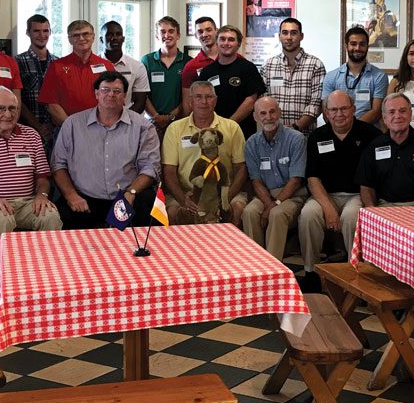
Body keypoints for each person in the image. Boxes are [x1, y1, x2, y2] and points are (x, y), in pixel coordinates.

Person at [0, 87, 62, 314]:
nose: (8, 114)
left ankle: (45, 285)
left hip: (26, 202)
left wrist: (41, 196)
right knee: (1, 217)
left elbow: (43, 177)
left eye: (13, 108)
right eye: (1, 109)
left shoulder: (31, 135)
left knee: (51, 215)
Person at [51, 71, 159, 229]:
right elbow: (58, 165)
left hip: (129, 196)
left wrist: (131, 192)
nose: (111, 95)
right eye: (105, 90)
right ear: (96, 94)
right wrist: (70, 195)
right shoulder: (72, 124)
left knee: (143, 232)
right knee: (73, 241)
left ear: (124, 97)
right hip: (84, 199)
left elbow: (151, 167)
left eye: (117, 91)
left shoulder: (143, 127)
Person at [299, 91, 381, 277]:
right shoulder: (316, 136)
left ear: (353, 109)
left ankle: (356, 272)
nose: (339, 114)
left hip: (356, 195)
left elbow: (374, 176)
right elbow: (312, 178)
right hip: (324, 195)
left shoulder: (370, 134)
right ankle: (310, 271)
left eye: (344, 108)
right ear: (326, 113)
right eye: (333, 109)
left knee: (351, 218)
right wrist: (328, 209)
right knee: (308, 215)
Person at [162, 81, 249, 225]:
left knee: (238, 208)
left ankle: (232, 248)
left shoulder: (232, 128)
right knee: (172, 212)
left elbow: (241, 168)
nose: (204, 102)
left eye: (209, 97)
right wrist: (183, 199)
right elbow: (169, 170)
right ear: (190, 101)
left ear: (215, 101)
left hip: (224, 190)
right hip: (187, 192)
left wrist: (225, 198)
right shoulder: (175, 129)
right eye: (198, 97)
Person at [242, 96, 308, 261]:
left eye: (272, 112)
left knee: (277, 214)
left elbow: (296, 180)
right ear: (256, 117)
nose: (268, 117)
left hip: (292, 195)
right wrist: (268, 203)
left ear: (279, 113)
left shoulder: (296, 139)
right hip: (265, 193)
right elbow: (255, 181)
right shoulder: (251, 143)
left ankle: (273, 267)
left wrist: (274, 205)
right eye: (262, 113)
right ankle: (255, 263)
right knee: (249, 212)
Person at [358, 93, 414, 209]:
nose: (397, 116)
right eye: (392, 112)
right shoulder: (373, 147)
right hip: (384, 207)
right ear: (384, 118)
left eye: (403, 111)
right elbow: (366, 185)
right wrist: (371, 207)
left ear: (410, 114)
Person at [38, 20, 116, 130]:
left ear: (93, 37)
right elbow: (50, 103)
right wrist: (73, 127)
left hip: (101, 129)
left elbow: (114, 98)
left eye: (86, 34)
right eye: (76, 35)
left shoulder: (107, 66)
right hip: (67, 129)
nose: (81, 38)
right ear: (69, 39)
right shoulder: (57, 66)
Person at [260, 18, 326, 134]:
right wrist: (276, 129)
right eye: (285, 33)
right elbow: (263, 101)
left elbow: (316, 103)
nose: (289, 37)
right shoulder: (268, 65)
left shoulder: (315, 65)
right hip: (273, 135)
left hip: (304, 136)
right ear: (279, 36)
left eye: (293, 33)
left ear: (301, 36)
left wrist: (295, 128)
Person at [321, 26, 388, 124]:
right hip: (338, 133)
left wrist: (352, 130)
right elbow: (326, 111)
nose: (357, 48)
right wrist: (342, 129)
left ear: (367, 47)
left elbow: (376, 112)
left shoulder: (379, 76)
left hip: (369, 134)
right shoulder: (331, 77)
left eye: (362, 44)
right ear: (346, 46)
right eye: (353, 44)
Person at [142, 16, 190, 136]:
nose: (167, 35)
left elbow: (188, 96)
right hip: (152, 122)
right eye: (162, 32)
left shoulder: (188, 62)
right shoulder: (147, 61)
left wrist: (171, 116)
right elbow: (142, 93)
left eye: (171, 31)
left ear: (178, 35)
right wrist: (156, 116)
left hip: (179, 122)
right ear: (157, 36)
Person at [15, 14, 54, 149]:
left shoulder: (58, 63)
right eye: (36, 31)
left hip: (54, 130)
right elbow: (16, 99)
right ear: (28, 32)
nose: (42, 35)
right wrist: (37, 126)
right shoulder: (17, 62)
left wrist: (51, 125)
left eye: (45, 31)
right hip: (26, 130)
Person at [100, 20, 151, 113]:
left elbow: (140, 102)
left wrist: (121, 119)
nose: (114, 38)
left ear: (123, 39)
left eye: (118, 34)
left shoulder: (137, 66)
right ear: (101, 39)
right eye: (109, 35)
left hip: (128, 121)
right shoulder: (93, 65)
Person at [181, 16, 220, 98]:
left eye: (208, 30)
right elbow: (187, 102)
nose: (204, 34)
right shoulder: (190, 67)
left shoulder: (234, 59)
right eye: (200, 32)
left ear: (216, 31)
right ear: (195, 35)